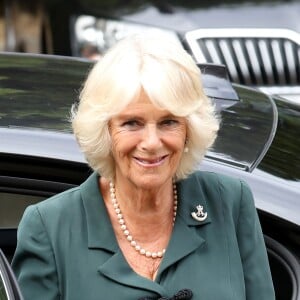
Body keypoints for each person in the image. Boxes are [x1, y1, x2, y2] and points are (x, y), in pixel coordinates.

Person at [12, 34, 275, 300]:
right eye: (132, 123)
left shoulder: (229, 203)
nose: (151, 142)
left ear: (189, 130)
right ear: (105, 131)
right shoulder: (48, 227)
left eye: (168, 122)